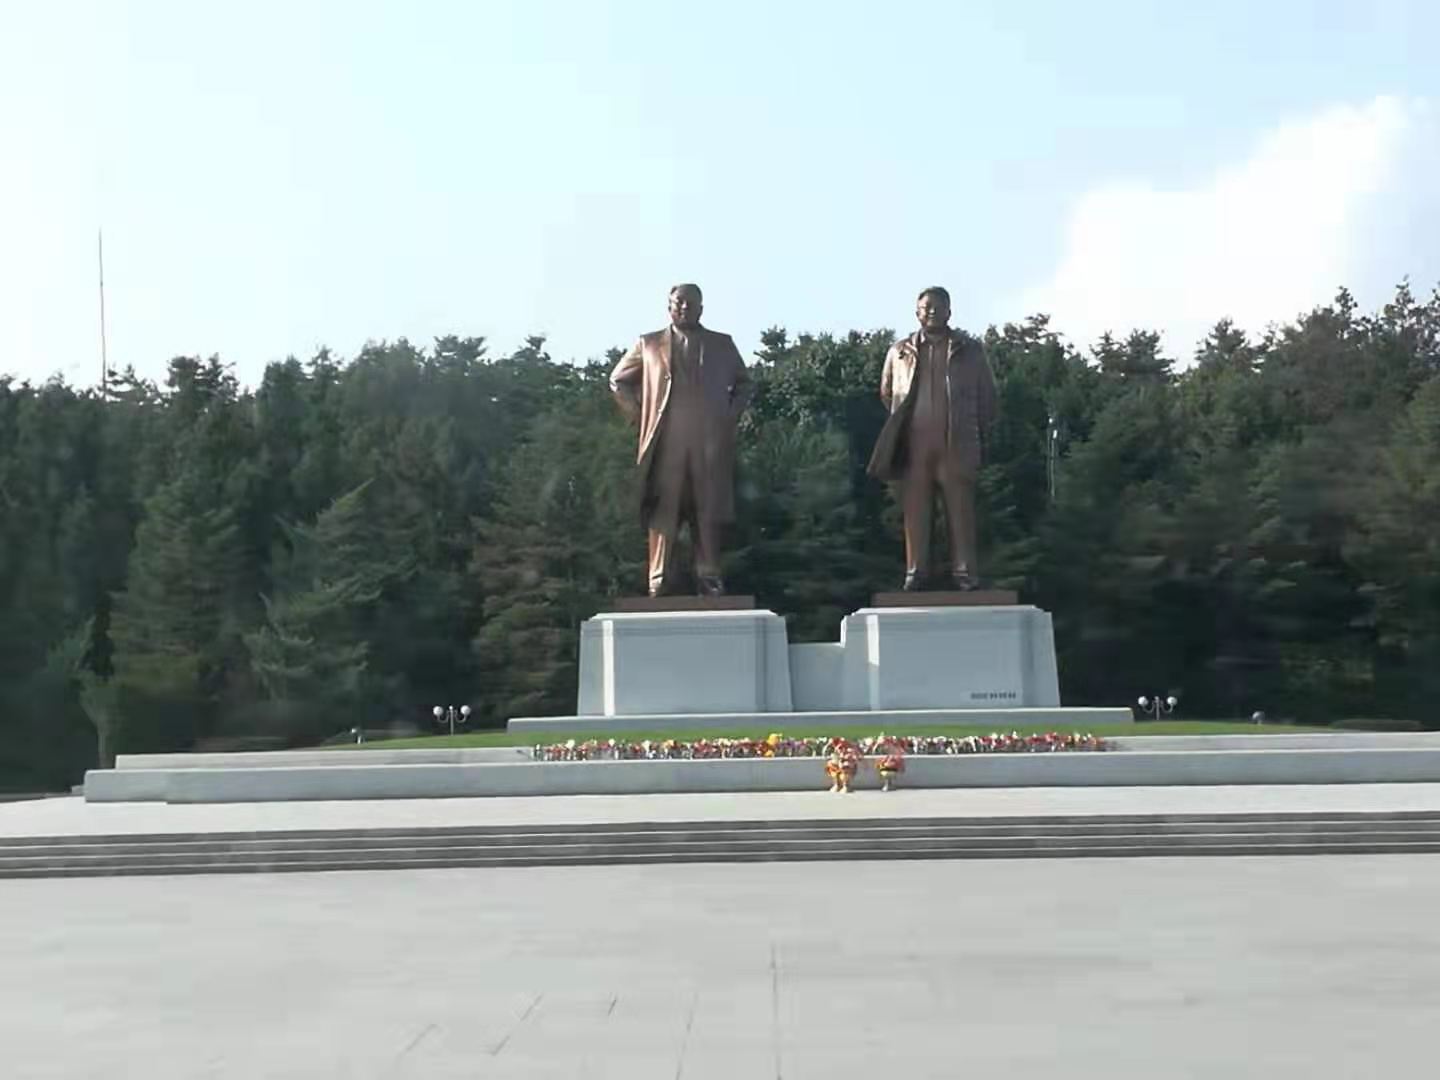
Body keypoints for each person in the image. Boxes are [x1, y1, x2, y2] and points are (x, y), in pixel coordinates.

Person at [610, 284, 752, 596]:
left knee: (707, 507)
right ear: (669, 306)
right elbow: (618, 380)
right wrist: (640, 416)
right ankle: (658, 577)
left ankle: (709, 574)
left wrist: (729, 416)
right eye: (679, 303)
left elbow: (744, 384)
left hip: (708, 442)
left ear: (702, 308)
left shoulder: (722, 345)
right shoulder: (648, 344)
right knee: (665, 507)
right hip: (667, 442)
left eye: (692, 304)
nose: (685, 308)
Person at [867, 286, 998, 591]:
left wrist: (973, 429)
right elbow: (887, 393)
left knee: (960, 509)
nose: (932, 312)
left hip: (956, 442)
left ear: (950, 312)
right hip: (915, 444)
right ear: (917, 312)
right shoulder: (899, 352)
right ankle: (916, 571)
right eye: (926, 307)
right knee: (915, 508)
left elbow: (988, 398)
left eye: (939, 307)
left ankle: (965, 572)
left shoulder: (971, 350)